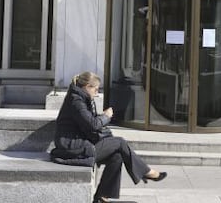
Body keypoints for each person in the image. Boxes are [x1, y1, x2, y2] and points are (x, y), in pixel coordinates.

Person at [50, 71, 167, 203]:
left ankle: (101, 196)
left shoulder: (81, 98)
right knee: (120, 143)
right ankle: (146, 172)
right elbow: (93, 124)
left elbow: (88, 122)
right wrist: (106, 116)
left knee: (117, 156)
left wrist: (102, 118)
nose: (97, 92)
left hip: (80, 143)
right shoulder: (76, 101)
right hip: (72, 147)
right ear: (87, 86)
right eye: (96, 89)